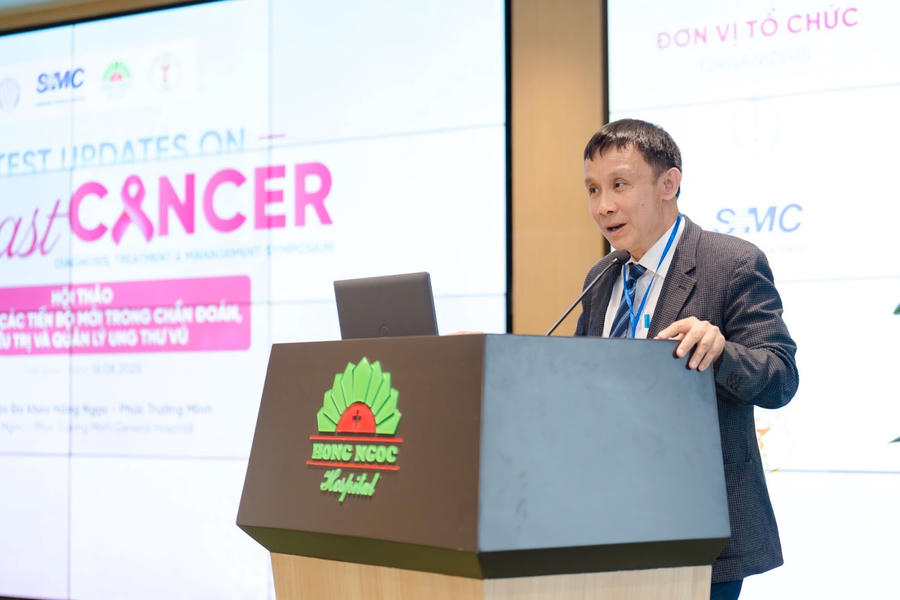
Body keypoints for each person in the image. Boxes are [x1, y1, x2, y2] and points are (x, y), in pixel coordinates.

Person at [574, 119, 798, 600]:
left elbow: (780, 377)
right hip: (606, 524)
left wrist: (720, 353)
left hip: (698, 534)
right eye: (593, 189)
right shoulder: (601, 276)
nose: (603, 205)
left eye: (619, 185)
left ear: (668, 184)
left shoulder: (731, 262)